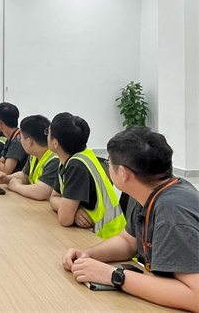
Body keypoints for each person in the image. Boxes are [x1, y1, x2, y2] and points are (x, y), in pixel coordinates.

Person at [62, 127, 199, 312]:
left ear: (124, 173)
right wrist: (88, 255)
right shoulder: (151, 193)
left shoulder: (172, 211)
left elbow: (195, 297)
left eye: (109, 162)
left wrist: (114, 275)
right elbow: (128, 242)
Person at [48, 112, 126, 239]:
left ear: (56, 143)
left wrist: (69, 210)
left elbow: (65, 219)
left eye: (48, 133)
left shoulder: (76, 166)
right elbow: (53, 198)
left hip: (106, 237)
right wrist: (75, 210)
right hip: (94, 235)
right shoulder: (68, 161)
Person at [0, 115, 59, 201]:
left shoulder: (54, 160)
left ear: (29, 141)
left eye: (21, 137)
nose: (20, 140)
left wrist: (16, 186)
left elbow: (40, 192)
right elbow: (25, 175)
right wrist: (7, 178)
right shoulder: (34, 154)